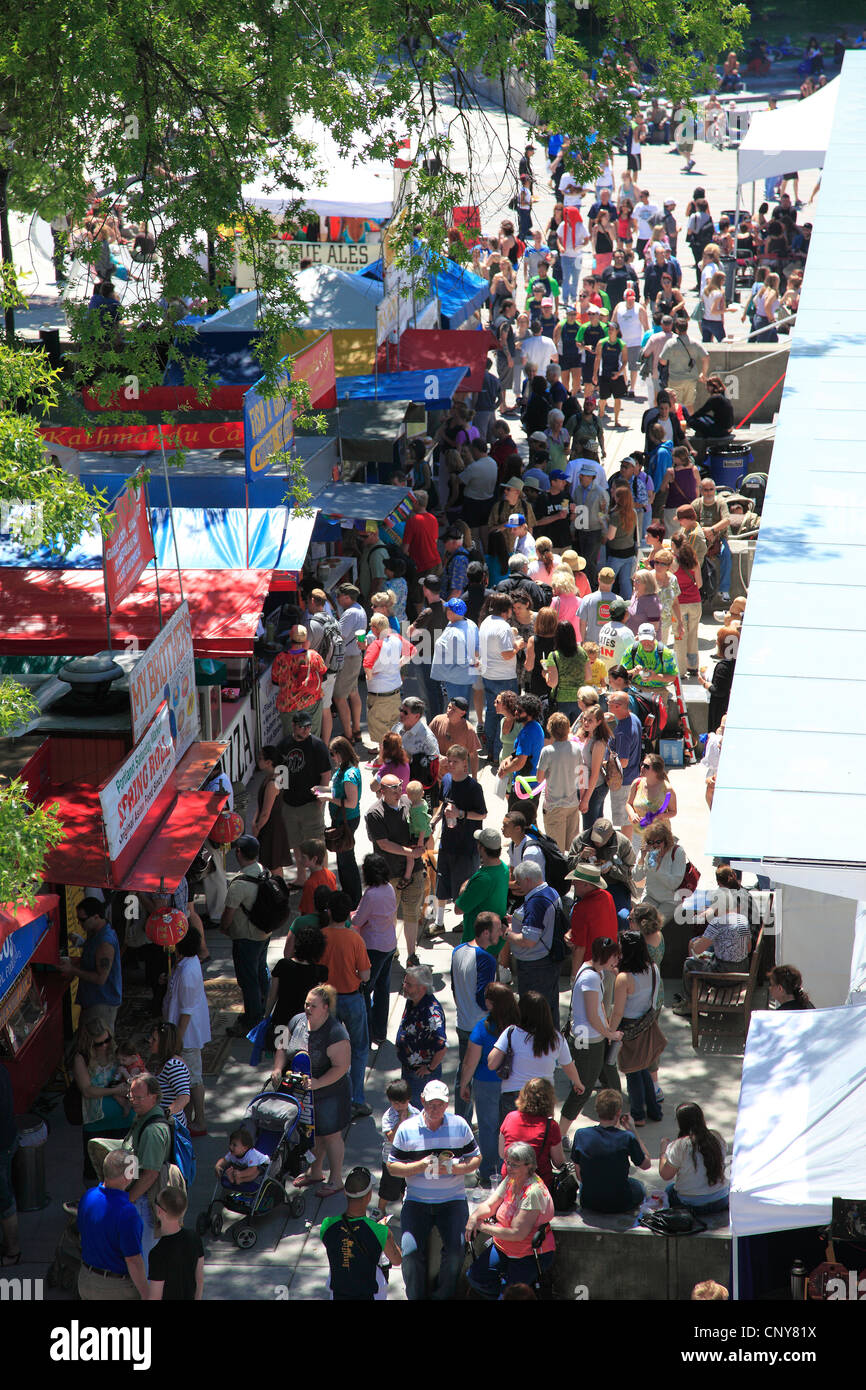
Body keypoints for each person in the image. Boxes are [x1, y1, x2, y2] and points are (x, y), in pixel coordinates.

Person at [387, 1079, 480, 1301]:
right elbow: (392, 1167)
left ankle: (442, 1296)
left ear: (447, 1104)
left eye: (439, 1104)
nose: (434, 1109)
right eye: (430, 1104)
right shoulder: (407, 1129)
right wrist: (419, 1166)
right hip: (417, 1201)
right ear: (422, 1101)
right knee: (409, 1254)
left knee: (456, 1252)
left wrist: (455, 1169)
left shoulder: (459, 1125)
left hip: (452, 1200)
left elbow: (476, 1158)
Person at [465, 1140, 555, 1298]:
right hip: (503, 1247)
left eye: (515, 1164)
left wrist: (483, 1227)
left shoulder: (534, 1191)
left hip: (527, 1253)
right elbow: (490, 1205)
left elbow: (517, 1233)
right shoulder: (511, 1179)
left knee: (509, 1296)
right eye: (508, 1163)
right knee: (474, 1276)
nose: (508, 1168)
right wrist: (474, 1217)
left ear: (529, 1166)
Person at [286, 986, 352, 1197]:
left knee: (331, 1135)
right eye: (306, 1004)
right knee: (313, 1134)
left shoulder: (335, 1032)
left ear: (325, 1008)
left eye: (313, 1005)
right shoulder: (296, 1021)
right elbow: (281, 1047)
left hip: (330, 1093)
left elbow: (341, 1067)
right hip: (304, 1093)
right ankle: (314, 1172)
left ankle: (336, 1179)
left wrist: (318, 1082)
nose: (307, 1008)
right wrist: (278, 1069)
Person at [558, 936, 623, 1136]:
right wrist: (609, 1032)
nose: (617, 961)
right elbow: (592, 1016)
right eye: (615, 957)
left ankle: (615, 1123)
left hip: (590, 1038)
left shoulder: (593, 971)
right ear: (606, 956)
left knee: (608, 1079)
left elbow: (598, 1007)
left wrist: (607, 1031)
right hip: (588, 1040)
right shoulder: (592, 978)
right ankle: (558, 1136)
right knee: (582, 1090)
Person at [488, 990, 584, 1121]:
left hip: (514, 1096)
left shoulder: (511, 1033)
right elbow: (568, 1065)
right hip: (544, 1097)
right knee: (541, 1138)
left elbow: (492, 1063)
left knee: (512, 1138)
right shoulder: (556, 1038)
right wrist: (578, 1083)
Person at [460, 982, 521, 1189]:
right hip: (515, 1084)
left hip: (486, 1083)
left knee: (488, 1128)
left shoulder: (482, 1028)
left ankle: (489, 1171)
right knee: (512, 1129)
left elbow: (470, 1061)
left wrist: (463, 1084)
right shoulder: (520, 1027)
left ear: (492, 1003)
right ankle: (512, 1169)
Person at [319, 890, 371, 1118]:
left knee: (330, 1050)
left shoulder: (320, 937)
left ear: (329, 911)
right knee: (358, 1049)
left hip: (327, 1001)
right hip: (352, 998)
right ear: (348, 914)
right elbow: (366, 975)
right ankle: (356, 1099)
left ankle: (331, 1095)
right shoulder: (355, 938)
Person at [365, 775, 426, 967]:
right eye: (394, 790)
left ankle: (412, 954)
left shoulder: (408, 802)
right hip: (389, 874)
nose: (400, 792)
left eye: (400, 787)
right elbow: (383, 844)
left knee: (411, 914)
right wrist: (410, 851)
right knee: (390, 915)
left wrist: (422, 843)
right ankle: (392, 948)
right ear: (382, 791)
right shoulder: (374, 813)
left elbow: (421, 823)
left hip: (414, 870)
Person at [320, 1165, 402, 1300]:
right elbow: (397, 1260)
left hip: (337, 1295)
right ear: (369, 1196)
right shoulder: (381, 1232)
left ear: (345, 1193)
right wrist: (387, 1234)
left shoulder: (327, 1225)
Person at [77, 1149, 148, 1301]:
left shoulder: (88, 1196)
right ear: (128, 1176)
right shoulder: (128, 1213)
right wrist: (147, 1294)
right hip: (115, 1288)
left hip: (85, 1279)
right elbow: (133, 1260)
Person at [609, 931, 665, 1125]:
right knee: (643, 1070)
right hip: (647, 1024)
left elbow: (618, 1011)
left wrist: (610, 1033)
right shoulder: (653, 968)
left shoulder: (623, 978)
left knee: (632, 1072)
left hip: (627, 1027)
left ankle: (638, 1115)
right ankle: (654, 1111)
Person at [450, 913, 501, 1121]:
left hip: (463, 1022)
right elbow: (483, 998)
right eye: (498, 929)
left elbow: (455, 988)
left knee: (463, 1074)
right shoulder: (486, 960)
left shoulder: (457, 950)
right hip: (479, 1028)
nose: (502, 932)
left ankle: (462, 1121)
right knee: (480, 1077)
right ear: (486, 932)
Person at [162, 928, 210, 1137]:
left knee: (194, 1079)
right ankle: (190, 1118)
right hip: (183, 1034)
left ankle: (200, 1120)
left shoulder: (189, 971)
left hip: (187, 1037)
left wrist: (177, 1040)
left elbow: (186, 1011)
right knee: (187, 1078)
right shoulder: (186, 965)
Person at [221, 835, 271, 1036]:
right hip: (264, 933)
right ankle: (264, 1008)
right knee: (260, 971)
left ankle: (252, 1021)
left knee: (248, 980)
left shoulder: (239, 884)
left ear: (239, 853)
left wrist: (224, 929)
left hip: (245, 938)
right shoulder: (264, 872)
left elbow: (228, 915)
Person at [571, 1088, 652, 1213]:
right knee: (639, 1186)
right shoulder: (627, 1137)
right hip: (620, 1202)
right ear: (618, 1112)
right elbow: (646, 1165)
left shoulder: (581, 1134)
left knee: (585, 1185)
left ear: (597, 1110)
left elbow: (580, 1176)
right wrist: (634, 1132)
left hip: (589, 1201)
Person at [74, 1019, 130, 1183]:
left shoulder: (117, 1053)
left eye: (107, 1040)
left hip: (124, 1122)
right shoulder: (81, 1058)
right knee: (95, 1174)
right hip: (96, 1124)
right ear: (89, 1044)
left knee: (128, 1172)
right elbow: (87, 1090)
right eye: (99, 1044)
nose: (105, 1046)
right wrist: (114, 1091)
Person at [278, 710, 331, 881]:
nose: (307, 729)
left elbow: (325, 774)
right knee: (296, 846)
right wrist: (280, 800)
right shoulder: (284, 745)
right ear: (293, 726)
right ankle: (301, 879)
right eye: (303, 727)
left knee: (317, 846)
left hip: (310, 805)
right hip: (289, 804)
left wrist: (320, 800)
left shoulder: (317, 745)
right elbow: (280, 775)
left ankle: (323, 880)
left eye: (309, 726)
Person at [58, 898, 122, 1032]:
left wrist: (72, 969)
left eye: (82, 920)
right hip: (92, 1001)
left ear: (96, 917)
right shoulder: (96, 932)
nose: (79, 923)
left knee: (97, 1047)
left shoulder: (105, 942)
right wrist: (83, 944)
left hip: (102, 1003)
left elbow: (100, 978)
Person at [659, 1103, 730, 1214]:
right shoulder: (716, 1137)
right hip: (721, 1200)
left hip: (691, 1205)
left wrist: (663, 1152)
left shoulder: (678, 1146)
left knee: (669, 1189)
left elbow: (666, 1175)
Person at [396, 964, 448, 1108]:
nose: (404, 986)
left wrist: (430, 1068)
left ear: (422, 988)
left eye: (409, 984)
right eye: (404, 982)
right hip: (409, 1069)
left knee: (419, 1113)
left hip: (421, 1076)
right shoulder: (412, 1000)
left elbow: (442, 1046)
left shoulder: (432, 1013)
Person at [498, 1077, 565, 1188]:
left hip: (510, 1181)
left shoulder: (510, 1117)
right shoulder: (551, 1126)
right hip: (538, 1184)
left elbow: (502, 1153)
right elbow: (558, 1162)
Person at [479, 593, 519, 762]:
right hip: (505, 677)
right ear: (506, 610)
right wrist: (518, 646)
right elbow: (507, 654)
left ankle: (489, 751)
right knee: (506, 715)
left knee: (492, 713)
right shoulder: (503, 627)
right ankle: (498, 755)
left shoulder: (486, 622)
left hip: (488, 675)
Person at [535, 711, 583, 850]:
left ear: (550, 730)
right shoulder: (576, 748)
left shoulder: (547, 751)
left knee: (556, 850)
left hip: (553, 806)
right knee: (571, 849)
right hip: (573, 804)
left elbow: (539, 778)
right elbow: (582, 776)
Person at [147, 1186, 204, 1300]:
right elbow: (199, 1280)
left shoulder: (157, 1253)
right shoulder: (194, 1237)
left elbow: (155, 1296)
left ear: (159, 1211)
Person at [272, 625, 328, 740]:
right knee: (313, 736)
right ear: (305, 638)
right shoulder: (314, 656)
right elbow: (324, 676)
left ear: (290, 637)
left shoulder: (281, 658)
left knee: (290, 738)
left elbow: (275, 681)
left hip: (288, 704)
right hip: (310, 702)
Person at [454, 830, 510, 944]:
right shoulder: (503, 868)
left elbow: (458, 909)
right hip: (493, 941)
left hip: (478, 944)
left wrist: (463, 888)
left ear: (482, 849)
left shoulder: (483, 879)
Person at [376, 1080, 419, 1216]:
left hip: (409, 1159)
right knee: (388, 1188)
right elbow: (392, 1138)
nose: (399, 1106)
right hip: (392, 1160)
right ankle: (380, 1209)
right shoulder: (388, 1117)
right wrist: (401, 1122)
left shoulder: (417, 1114)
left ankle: (406, 1211)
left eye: (402, 1102)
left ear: (409, 1099)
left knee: (406, 1188)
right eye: (395, 1103)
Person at [634, 820, 688, 927]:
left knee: (653, 925)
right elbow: (636, 877)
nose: (654, 846)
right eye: (650, 842)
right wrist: (642, 859)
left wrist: (657, 869)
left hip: (670, 900)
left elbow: (674, 884)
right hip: (650, 896)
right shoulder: (648, 852)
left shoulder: (677, 852)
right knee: (639, 922)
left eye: (658, 842)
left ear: (666, 841)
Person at [250, 745, 291, 873]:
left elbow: (266, 812)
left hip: (271, 828)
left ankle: (278, 890)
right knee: (271, 863)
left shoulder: (272, 783)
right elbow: (261, 806)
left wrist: (257, 827)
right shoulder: (271, 777)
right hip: (270, 825)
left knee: (273, 864)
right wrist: (254, 821)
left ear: (269, 762)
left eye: (261, 758)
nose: (258, 760)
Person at [658, 314, 709, 413]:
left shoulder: (671, 343)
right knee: (689, 404)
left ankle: (676, 424)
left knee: (674, 404)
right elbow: (706, 357)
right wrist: (703, 373)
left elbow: (662, 361)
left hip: (675, 379)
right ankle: (689, 423)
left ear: (676, 329)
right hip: (690, 379)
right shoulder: (695, 342)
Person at [626, 753, 677, 848]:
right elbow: (629, 803)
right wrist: (632, 814)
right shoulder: (637, 783)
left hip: (659, 838)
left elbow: (673, 812)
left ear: (656, 771)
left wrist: (658, 816)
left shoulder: (667, 789)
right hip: (638, 834)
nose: (642, 767)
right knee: (638, 862)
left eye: (646, 766)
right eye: (642, 764)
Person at [620, 624, 679, 694]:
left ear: (654, 636)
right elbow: (621, 675)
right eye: (643, 640)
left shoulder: (665, 652)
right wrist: (634, 672)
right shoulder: (631, 650)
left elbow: (673, 676)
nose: (646, 643)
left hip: (658, 690)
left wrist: (655, 677)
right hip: (635, 688)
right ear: (638, 637)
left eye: (649, 639)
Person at [430, 696, 481, 777]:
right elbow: (427, 742)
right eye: (449, 707)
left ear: (462, 713)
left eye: (453, 710)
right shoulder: (437, 720)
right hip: (436, 773)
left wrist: (474, 777)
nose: (449, 711)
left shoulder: (469, 730)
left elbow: (473, 755)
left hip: (457, 776)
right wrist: (438, 757)